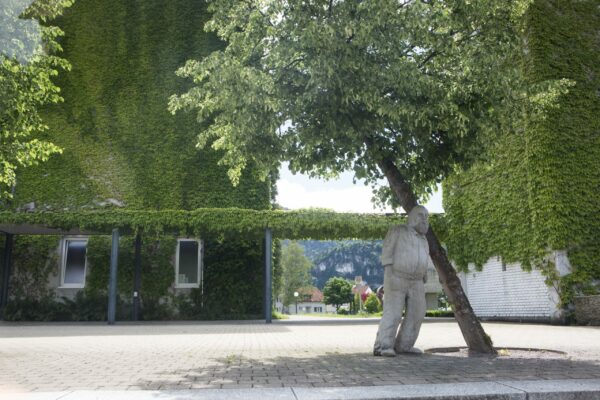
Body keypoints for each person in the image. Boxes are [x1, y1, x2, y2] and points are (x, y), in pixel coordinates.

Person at [373, 205, 430, 356]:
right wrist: (389, 271)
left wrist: (424, 274)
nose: (424, 219)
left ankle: (405, 345)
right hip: (396, 276)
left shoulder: (424, 239)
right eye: (420, 215)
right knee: (393, 313)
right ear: (411, 217)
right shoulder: (397, 230)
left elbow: (425, 257)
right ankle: (383, 346)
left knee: (417, 313)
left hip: (417, 281)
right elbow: (387, 251)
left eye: (426, 216)